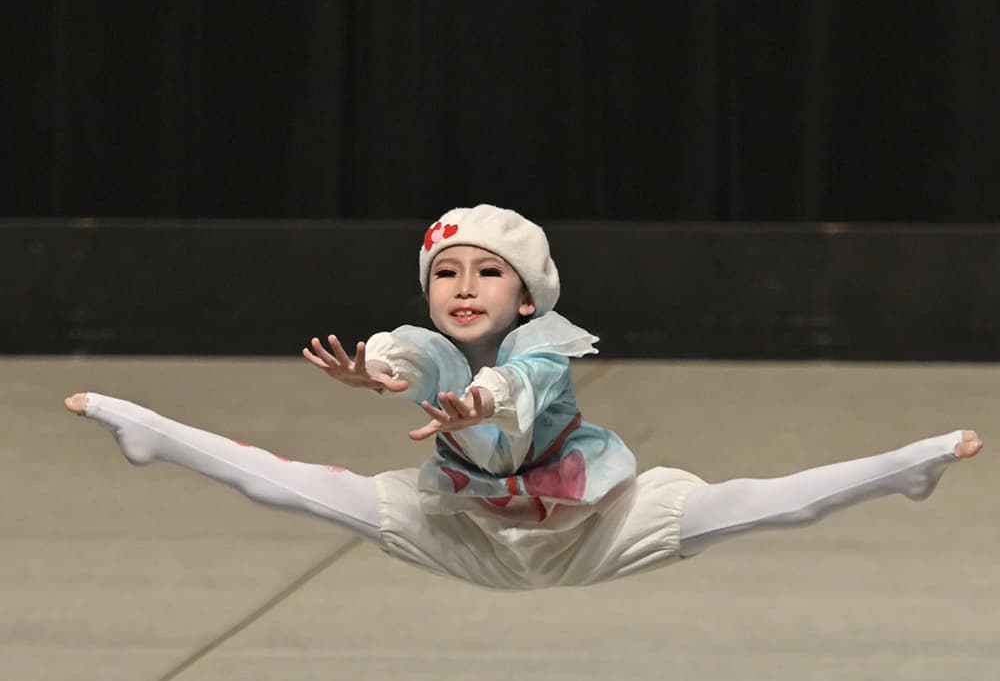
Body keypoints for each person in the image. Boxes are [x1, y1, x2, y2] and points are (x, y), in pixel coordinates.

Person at [65, 204, 982, 591]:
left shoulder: (544, 338)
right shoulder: (431, 343)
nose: (464, 286)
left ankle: (907, 466)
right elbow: (406, 356)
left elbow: (525, 381)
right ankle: (147, 430)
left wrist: (485, 401)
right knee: (296, 484)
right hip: (468, 532)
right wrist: (375, 370)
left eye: (487, 272)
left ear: (527, 294)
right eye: (446, 272)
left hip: (591, 524)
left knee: (752, 504)